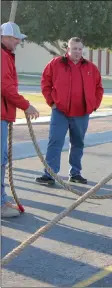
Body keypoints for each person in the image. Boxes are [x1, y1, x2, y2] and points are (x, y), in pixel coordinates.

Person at [35, 37, 104, 186]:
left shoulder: (91, 68)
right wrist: (51, 102)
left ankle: (75, 173)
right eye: (75, 48)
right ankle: (50, 174)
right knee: (55, 142)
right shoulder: (55, 64)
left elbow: (99, 88)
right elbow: (45, 82)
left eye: (80, 49)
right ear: (68, 49)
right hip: (60, 113)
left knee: (78, 143)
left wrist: (94, 105)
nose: (78, 52)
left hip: (82, 114)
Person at [1, 22, 40, 218]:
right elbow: (5, 88)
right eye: (16, 39)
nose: (18, 42)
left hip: (3, 114)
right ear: (6, 38)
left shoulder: (5, 55)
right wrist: (26, 105)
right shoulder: (2, 57)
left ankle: (1, 199)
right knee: (0, 160)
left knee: (1, 159)